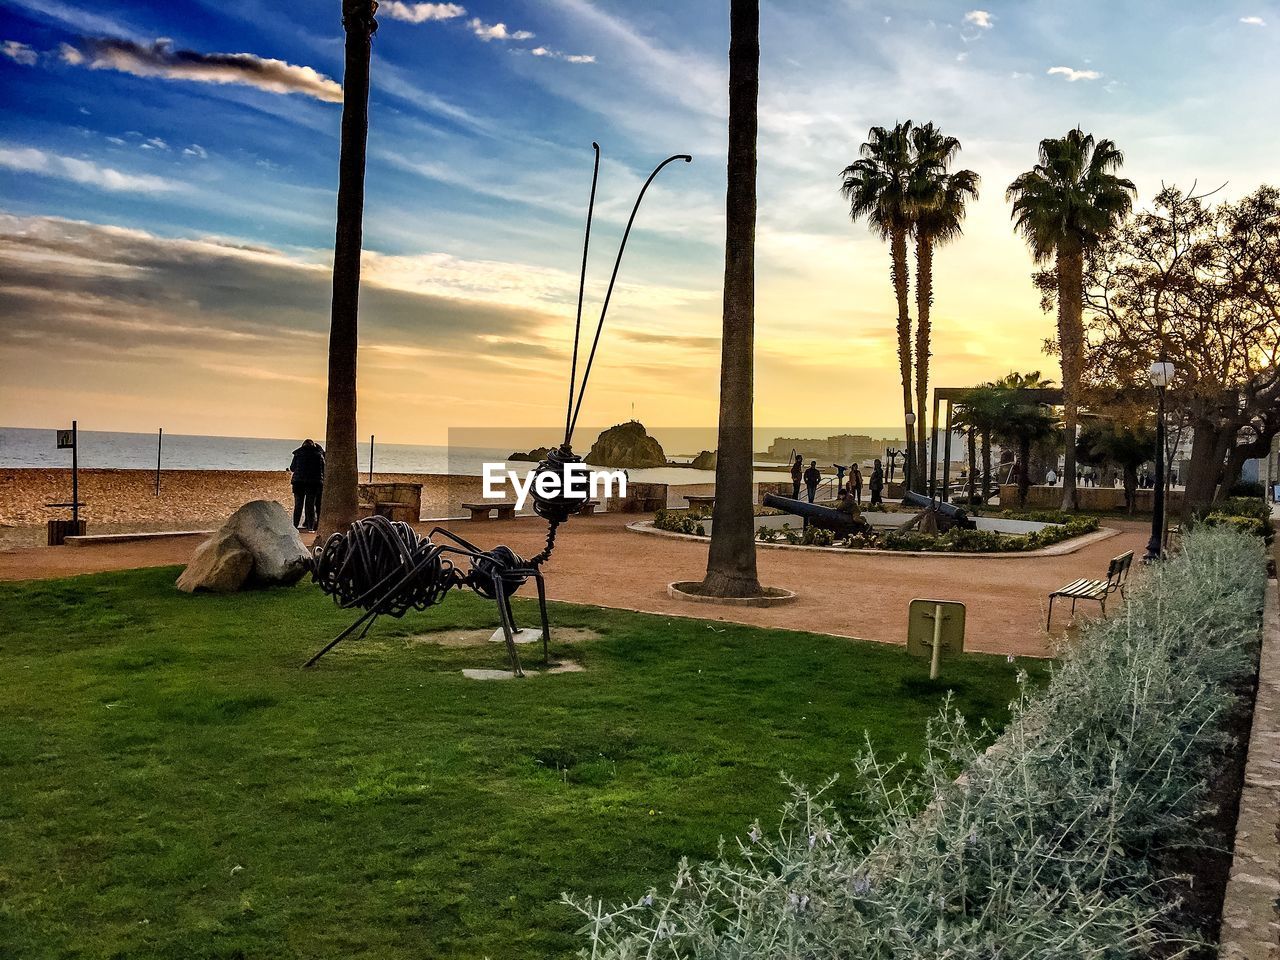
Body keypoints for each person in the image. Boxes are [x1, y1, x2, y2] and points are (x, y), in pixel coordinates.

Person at [288, 438, 325, 531]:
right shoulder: (318, 455)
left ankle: (295, 526)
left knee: (298, 505)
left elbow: (292, 468)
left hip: (298, 483)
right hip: (313, 483)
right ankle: (310, 527)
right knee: (310, 505)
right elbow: (323, 469)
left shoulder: (297, 454)